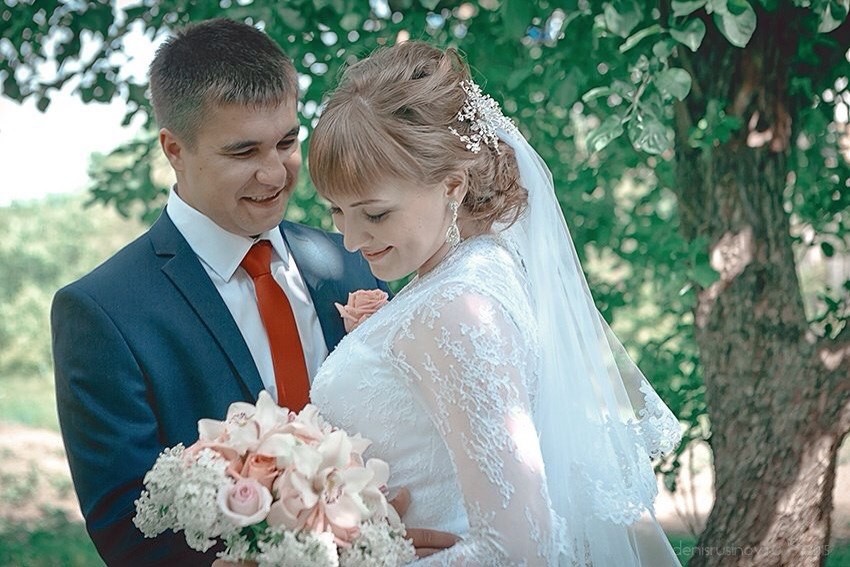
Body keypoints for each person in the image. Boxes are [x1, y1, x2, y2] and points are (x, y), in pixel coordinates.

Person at [52, 19, 453, 566]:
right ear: (174, 149)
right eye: (243, 152)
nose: (274, 175)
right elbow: (126, 529)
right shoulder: (103, 311)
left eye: (287, 142)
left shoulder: (353, 260)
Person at [307, 41, 684, 565]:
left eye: (374, 214)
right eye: (336, 211)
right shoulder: (475, 271)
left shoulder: (456, 307)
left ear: (452, 185)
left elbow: (517, 548)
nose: (350, 240)